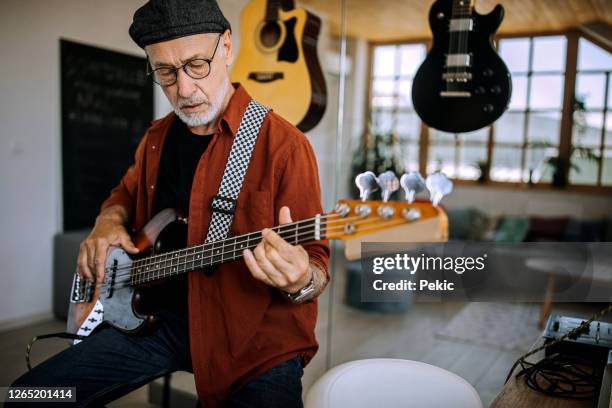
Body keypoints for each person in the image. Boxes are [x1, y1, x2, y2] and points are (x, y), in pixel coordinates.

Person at [8, 0, 330, 406]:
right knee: (29, 396)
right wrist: (107, 221)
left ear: (227, 47)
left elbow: (316, 266)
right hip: (159, 323)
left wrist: (300, 280)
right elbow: (123, 194)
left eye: (197, 64)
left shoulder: (285, 146)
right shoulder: (157, 138)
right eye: (165, 71)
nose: (183, 88)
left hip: (256, 340)